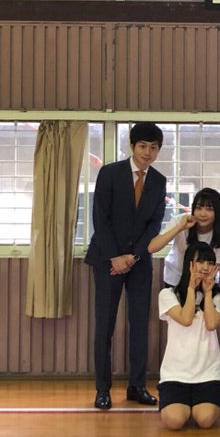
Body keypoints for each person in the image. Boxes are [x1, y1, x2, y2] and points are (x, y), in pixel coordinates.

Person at [86, 122, 166, 410]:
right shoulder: (110, 173)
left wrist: (134, 256)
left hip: (139, 263)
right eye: (143, 146)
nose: (148, 152)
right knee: (104, 326)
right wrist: (115, 257)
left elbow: (155, 224)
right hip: (107, 260)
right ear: (132, 146)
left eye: (154, 148)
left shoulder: (159, 180)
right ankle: (102, 389)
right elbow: (100, 218)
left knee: (140, 325)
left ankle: (137, 386)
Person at [157, 242, 220, 430]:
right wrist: (190, 288)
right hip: (175, 375)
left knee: (205, 420)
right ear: (189, 263)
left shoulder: (217, 296)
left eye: (210, 263)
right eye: (201, 261)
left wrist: (208, 292)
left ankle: (195, 405)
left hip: (207, 374)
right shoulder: (168, 294)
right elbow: (186, 319)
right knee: (175, 421)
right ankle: (182, 405)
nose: (205, 267)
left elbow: (211, 324)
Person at [148, 187, 220, 288]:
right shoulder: (180, 221)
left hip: (205, 282)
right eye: (198, 208)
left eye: (209, 209)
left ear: (218, 212)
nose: (203, 214)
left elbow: (214, 268)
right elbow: (152, 248)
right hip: (175, 279)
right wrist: (180, 227)